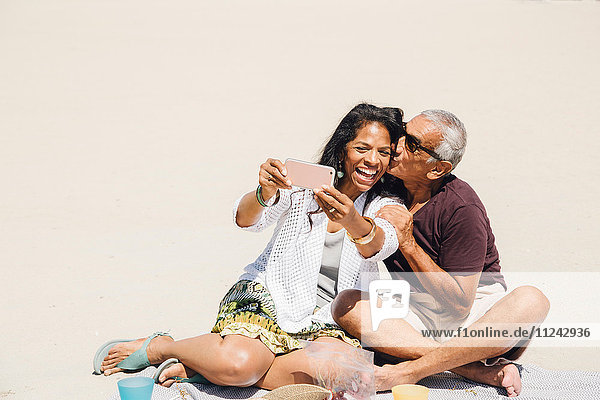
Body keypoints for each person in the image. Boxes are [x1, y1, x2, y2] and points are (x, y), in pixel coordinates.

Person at [93, 103, 405, 389]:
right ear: (342, 151)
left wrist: (351, 218)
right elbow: (246, 219)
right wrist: (264, 191)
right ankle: (163, 346)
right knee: (240, 365)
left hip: (328, 320)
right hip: (269, 298)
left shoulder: (385, 202)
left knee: (353, 375)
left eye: (383, 152)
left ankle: (209, 367)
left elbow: (381, 242)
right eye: (362, 149)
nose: (372, 161)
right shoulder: (301, 187)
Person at [331, 110, 550, 397]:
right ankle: (470, 368)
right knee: (347, 304)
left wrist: (408, 243)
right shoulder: (390, 182)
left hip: (474, 313)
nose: (396, 146)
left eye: (411, 144)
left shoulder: (462, 207)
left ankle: (408, 371)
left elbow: (459, 303)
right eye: (403, 133)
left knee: (532, 300)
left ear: (437, 169)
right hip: (417, 310)